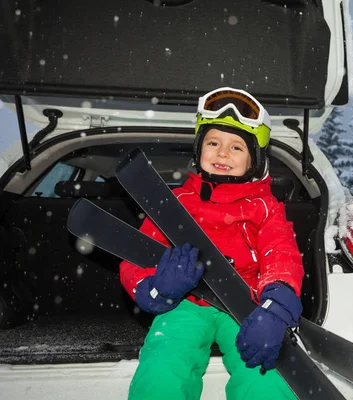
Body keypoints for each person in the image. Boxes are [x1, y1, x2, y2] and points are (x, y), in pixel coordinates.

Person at [119, 87, 304, 400]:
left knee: (262, 371)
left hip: (246, 305)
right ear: (198, 149)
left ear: (254, 160)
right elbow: (136, 259)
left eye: (236, 148)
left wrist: (275, 309)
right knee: (164, 365)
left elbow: (282, 256)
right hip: (186, 304)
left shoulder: (265, 207)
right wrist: (159, 288)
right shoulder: (173, 202)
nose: (222, 153)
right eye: (213, 143)